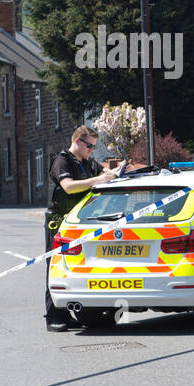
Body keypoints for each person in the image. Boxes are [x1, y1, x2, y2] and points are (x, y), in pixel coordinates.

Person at [44, 126, 121, 331]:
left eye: (94, 147)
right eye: (89, 146)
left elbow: (102, 169)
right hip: (59, 221)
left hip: (80, 220)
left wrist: (115, 170)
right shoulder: (63, 161)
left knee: (81, 265)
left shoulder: (85, 161)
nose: (91, 150)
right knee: (57, 265)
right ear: (77, 141)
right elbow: (68, 186)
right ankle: (54, 317)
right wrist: (99, 179)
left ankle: (74, 313)